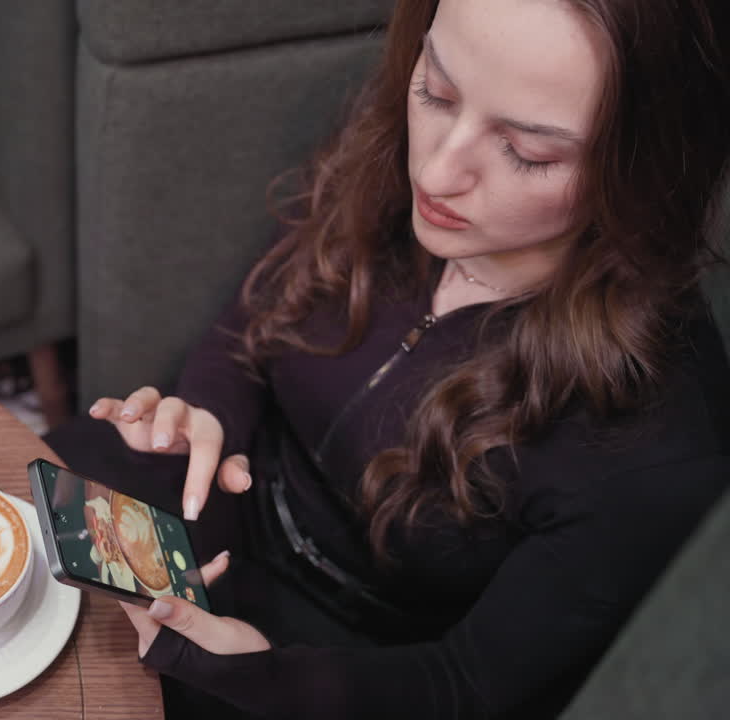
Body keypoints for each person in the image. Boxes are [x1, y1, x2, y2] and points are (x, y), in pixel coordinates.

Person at [45, 0, 730, 717]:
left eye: (528, 152)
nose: (436, 170)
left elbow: (466, 686)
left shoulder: (659, 453)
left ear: (649, 164)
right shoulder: (388, 151)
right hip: (219, 502)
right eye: (437, 89)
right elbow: (255, 317)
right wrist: (208, 411)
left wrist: (269, 675)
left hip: (348, 671)